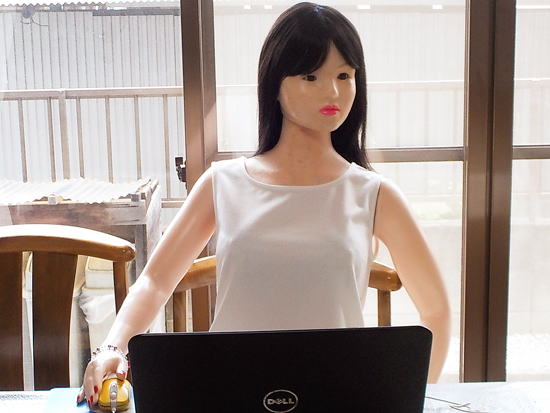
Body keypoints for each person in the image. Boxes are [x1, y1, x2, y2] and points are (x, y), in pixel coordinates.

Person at [78, 2, 450, 408]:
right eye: (311, 76)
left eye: (344, 75)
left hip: (339, 398)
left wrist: (424, 398)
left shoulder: (374, 194)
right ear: (274, 82)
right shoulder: (223, 183)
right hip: (225, 394)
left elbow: (436, 311)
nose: (333, 92)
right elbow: (155, 281)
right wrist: (112, 347)